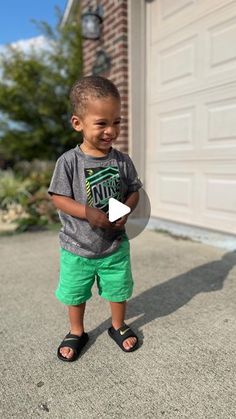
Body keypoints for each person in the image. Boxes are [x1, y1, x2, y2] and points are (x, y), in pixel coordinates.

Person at [48, 75, 142, 362]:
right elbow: (58, 197)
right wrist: (87, 212)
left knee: (118, 288)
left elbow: (135, 191)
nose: (110, 130)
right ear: (78, 123)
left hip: (114, 245)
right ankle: (77, 331)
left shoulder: (122, 161)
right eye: (102, 123)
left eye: (116, 122)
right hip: (77, 247)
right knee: (75, 293)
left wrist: (125, 208)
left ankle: (117, 325)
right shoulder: (69, 162)